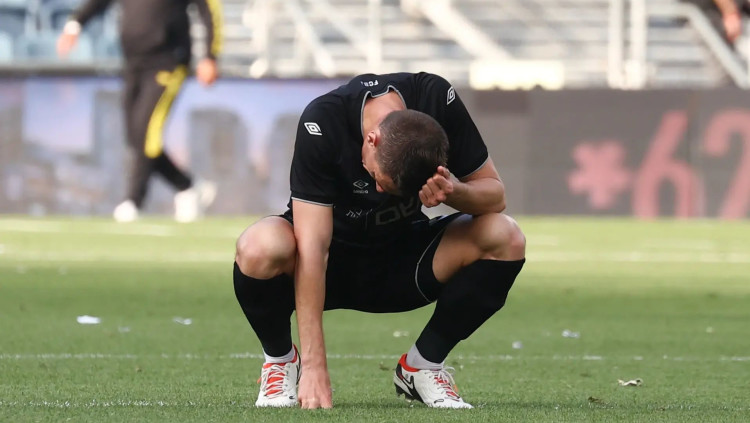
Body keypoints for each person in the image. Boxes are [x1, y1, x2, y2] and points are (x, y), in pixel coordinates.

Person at [233, 72, 526, 409]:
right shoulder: (323, 121)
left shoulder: (436, 99)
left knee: (506, 236)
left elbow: (495, 196)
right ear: (372, 139)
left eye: (388, 188)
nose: (378, 190)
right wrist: (315, 367)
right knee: (259, 246)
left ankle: (423, 366)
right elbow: (313, 249)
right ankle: (281, 361)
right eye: (377, 177)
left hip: (402, 259)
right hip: (327, 267)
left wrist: (454, 192)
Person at [56, 0, 222, 222]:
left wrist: (210, 56)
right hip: (134, 63)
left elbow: (210, 10)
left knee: (146, 133)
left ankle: (133, 201)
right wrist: (75, 24)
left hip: (169, 61)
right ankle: (188, 186)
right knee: (134, 137)